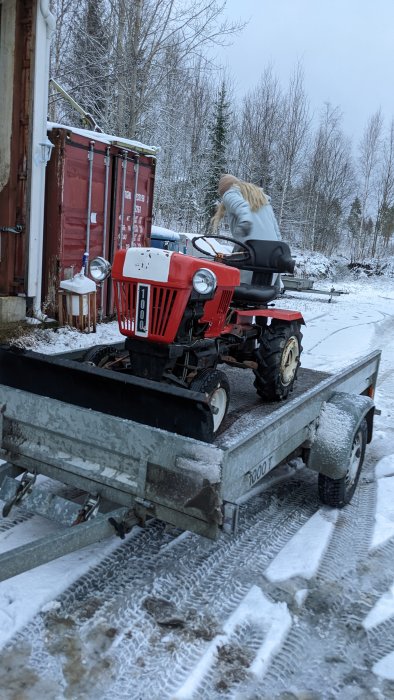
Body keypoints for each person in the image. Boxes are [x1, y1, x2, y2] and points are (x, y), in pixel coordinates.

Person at [211, 174, 282, 287]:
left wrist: (245, 221)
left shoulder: (229, 193)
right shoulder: (263, 202)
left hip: (250, 258)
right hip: (270, 261)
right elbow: (278, 236)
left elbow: (241, 206)